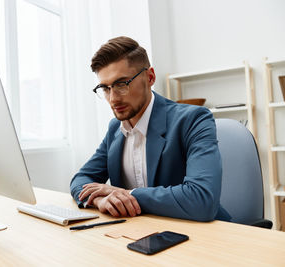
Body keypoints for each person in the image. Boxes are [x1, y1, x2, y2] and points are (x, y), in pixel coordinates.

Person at [70, 36, 231, 222]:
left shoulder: (194, 119)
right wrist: (99, 200)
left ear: (150, 77)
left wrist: (126, 194)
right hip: (141, 234)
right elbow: (81, 178)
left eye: (122, 84)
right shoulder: (116, 128)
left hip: (202, 235)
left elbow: (202, 199)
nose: (113, 99)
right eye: (105, 88)